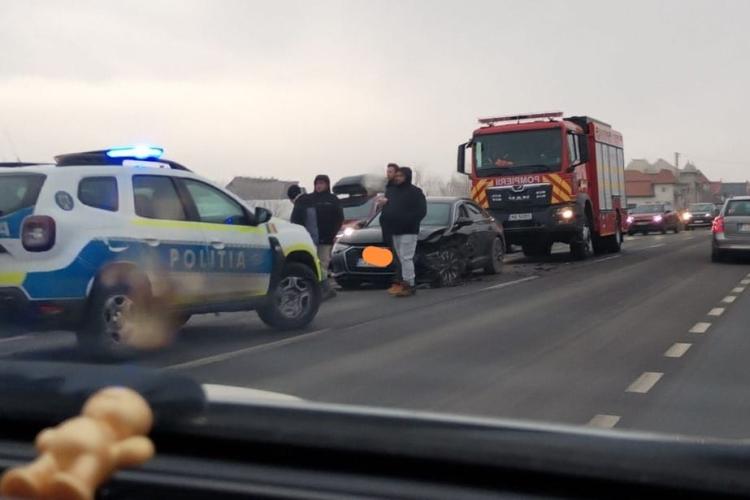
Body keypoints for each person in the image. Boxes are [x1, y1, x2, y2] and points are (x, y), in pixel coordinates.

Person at [291, 175, 344, 299]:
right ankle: (322, 289)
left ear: (327, 185)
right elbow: (298, 217)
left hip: (326, 238)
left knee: (323, 264)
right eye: (317, 183)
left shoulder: (333, 200)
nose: (319, 186)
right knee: (311, 264)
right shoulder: (308, 199)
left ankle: (323, 289)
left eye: (322, 183)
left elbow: (339, 218)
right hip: (308, 238)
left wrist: (332, 233)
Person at [378, 166, 426, 297]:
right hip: (394, 229)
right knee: (400, 257)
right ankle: (403, 281)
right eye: (397, 176)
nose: (398, 178)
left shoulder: (415, 192)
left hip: (409, 230)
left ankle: (409, 283)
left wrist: (408, 220)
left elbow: (421, 211)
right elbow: (387, 209)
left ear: (407, 177)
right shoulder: (392, 191)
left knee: (406, 257)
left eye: (401, 176)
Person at [378, 163, 402, 295]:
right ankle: (394, 278)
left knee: (398, 254)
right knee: (392, 254)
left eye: (391, 171)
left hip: (395, 226)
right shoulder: (388, 187)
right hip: (386, 225)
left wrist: (387, 202)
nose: (388, 174)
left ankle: (399, 280)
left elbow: (399, 205)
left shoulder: (398, 188)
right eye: (387, 171)